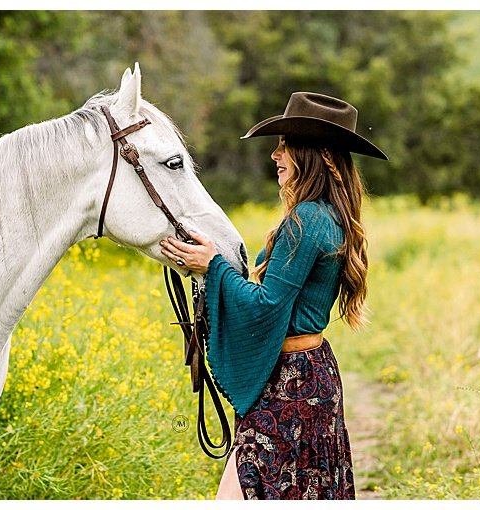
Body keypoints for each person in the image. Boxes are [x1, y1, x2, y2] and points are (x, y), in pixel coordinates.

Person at [160, 91, 387, 499]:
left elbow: (266, 306)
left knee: (234, 497)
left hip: (291, 383)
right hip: (307, 375)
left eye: (285, 146)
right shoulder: (327, 214)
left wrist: (213, 266)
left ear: (313, 155)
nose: (275, 155)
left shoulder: (308, 219)